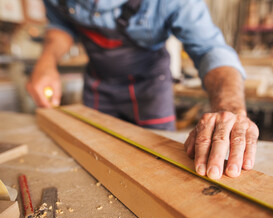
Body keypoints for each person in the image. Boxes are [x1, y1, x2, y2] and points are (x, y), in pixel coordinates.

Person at [27, 0, 259, 180]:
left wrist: (230, 107)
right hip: (99, 82)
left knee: (161, 167)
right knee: (93, 160)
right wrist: (47, 60)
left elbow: (210, 49)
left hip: (150, 86)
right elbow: (61, 24)